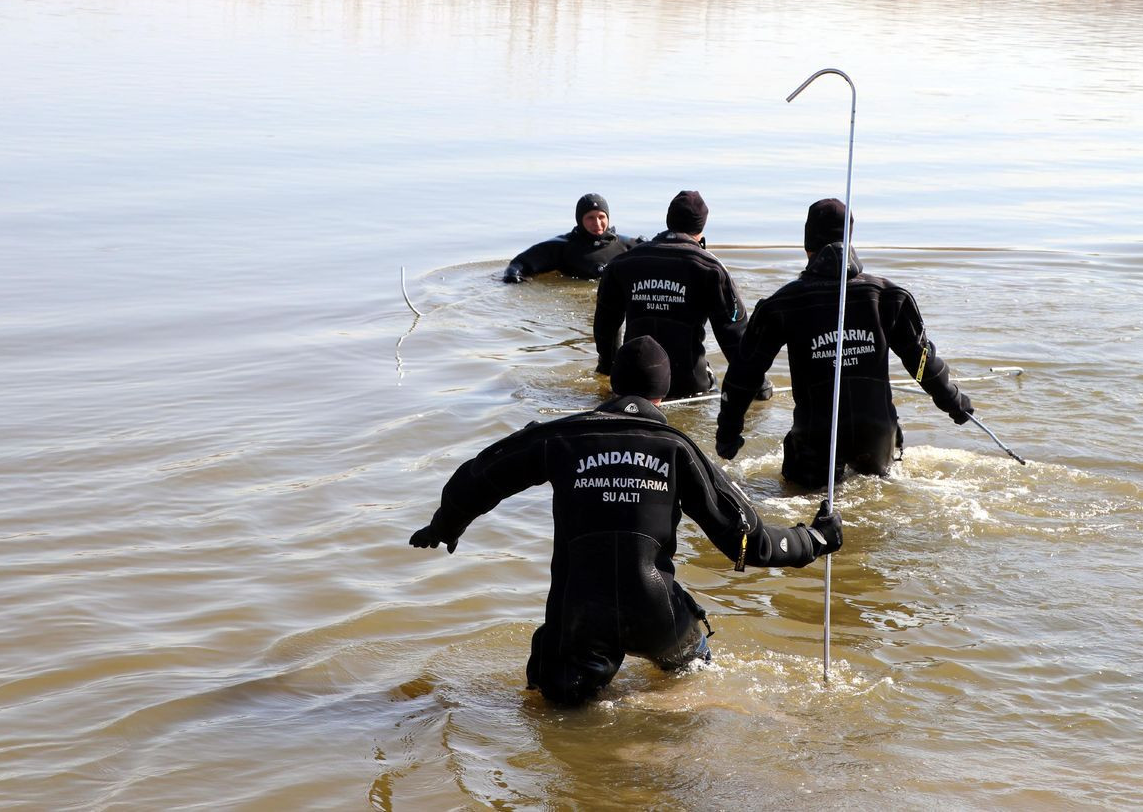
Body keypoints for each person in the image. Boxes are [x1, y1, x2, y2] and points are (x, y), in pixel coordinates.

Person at [409, 336, 842, 706]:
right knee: (690, 675)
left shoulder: (563, 436)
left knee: (554, 712)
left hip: (580, 612)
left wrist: (446, 525)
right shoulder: (678, 448)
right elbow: (749, 543)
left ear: (612, 384)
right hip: (656, 610)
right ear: (664, 394)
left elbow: (483, 475)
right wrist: (816, 539)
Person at [714, 198, 974, 483]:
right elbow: (921, 362)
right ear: (850, 239)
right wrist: (954, 401)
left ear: (806, 245)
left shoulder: (783, 304)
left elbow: (745, 372)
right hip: (878, 434)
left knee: (803, 512)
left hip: (815, 436)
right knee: (875, 503)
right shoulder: (889, 296)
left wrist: (728, 430)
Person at [593, 190, 770, 400]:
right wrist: (759, 385)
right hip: (688, 387)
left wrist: (607, 370)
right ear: (701, 226)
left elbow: (606, 326)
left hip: (630, 382)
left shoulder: (622, 263)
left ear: (669, 220)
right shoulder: (711, 269)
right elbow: (734, 335)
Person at [503, 193, 641, 282]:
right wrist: (513, 275)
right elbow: (520, 264)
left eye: (601, 217)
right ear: (579, 220)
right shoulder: (562, 246)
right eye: (590, 218)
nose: (597, 223)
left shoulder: (626, 244)